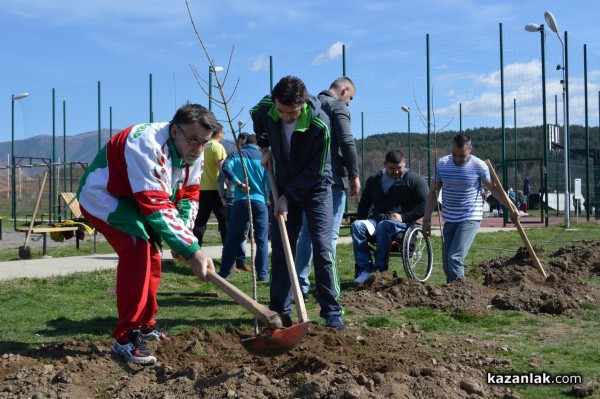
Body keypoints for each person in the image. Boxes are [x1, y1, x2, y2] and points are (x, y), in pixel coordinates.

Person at [77, 103, 219, 365]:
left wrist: (184, 239)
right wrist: (191, 248)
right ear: (175, 130)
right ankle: (125, 337)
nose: (198, 149)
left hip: (136, 199)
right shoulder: (146, 144)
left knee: (152, 253)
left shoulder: (194, 153)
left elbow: (189, 195)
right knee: (138, 247)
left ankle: (145, 324)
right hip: (104, 195)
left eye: (204, 143)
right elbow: (156, 205)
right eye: (193, 140)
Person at [251, 75, 345, 331]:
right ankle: (280, 311)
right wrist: (264, 145)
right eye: (281, 111)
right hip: (282, 182)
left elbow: (315, 172)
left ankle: (332, 311)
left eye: (292, 112)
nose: (286, 118)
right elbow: (256, 116)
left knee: (323, 247)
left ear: (302, 104)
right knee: (282, 248)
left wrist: (286, 197)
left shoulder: (320, 124)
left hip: (317, 189)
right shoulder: (266, 107)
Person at [295, 77, 361, 300]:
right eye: (350, 98)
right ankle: (328, 288)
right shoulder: (337, 106)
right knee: (329, 237)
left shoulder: (309, 105)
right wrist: (354, 174)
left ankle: (300, 286)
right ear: (344, 90)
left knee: (306, 235)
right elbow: (347, 141)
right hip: (331, 180)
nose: (349, 103)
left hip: (306, 180)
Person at [421, 133, 519, 283]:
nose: (457, 158)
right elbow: (434, 192)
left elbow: (494, 189)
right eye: (454, 154)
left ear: (470, 149)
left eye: (462, 155)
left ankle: (458, 296)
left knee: (454, 257)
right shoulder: (442, 164)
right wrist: (426, 219)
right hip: (450, 217)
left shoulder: (479, 165)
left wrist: (512, 207)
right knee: (447, 262)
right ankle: (456, 290)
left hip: (470, 216)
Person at [351, 149, 428, 284]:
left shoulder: (414, 180)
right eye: (392, 168)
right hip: (376, 220)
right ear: (385, 164)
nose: (396, 171)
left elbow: (425, 204)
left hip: (402, 224)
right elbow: (364, 205)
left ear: (405, 162)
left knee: (384, 226)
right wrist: (363, 219)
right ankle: (366, 270)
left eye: (400, 167)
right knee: (357, 226)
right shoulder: (374, 180)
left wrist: (404, 217)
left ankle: (380, 270)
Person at [219, 134, 270, 281]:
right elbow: (268, 179)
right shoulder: (262, 157)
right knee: (261, 239)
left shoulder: (236, 154)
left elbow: (225, 167)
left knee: (233, 237)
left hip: (240, 201)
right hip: (260, 202)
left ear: (245, 142)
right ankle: (262, 274)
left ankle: (224, 272)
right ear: (258, 145)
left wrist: (238, 183)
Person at [218, 132, 251, 272]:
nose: (243, 146)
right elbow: (220, 179)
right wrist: (223, 197)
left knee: (244, 231)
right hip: (232, 199)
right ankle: (230, 263)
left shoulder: (251, 158)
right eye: (242, 143)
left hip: (248, 198)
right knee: (232, 231)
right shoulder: (232, 158)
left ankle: (241, 261)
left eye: (246, 143)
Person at [193, 123, 228, 246]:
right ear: (219, 133)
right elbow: (223, 169)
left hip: (202, 190)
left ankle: (195, 253)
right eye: (223, 133)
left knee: (200, 223)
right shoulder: (217, 147)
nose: (223, 136)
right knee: (224, 222)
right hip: (217, 190)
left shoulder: (203, 147)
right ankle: (229, 259)